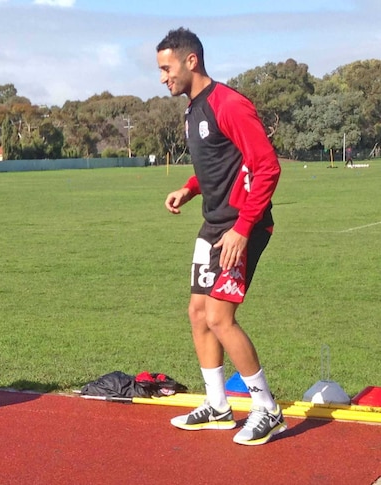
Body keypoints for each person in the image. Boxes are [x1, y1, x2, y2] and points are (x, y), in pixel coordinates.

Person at [157, 28, 285, 446]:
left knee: (219, 317)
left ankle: (267, 409)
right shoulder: (193, 109)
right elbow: (218, 163)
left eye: (166, 68)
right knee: (197, 313)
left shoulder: (230, 103)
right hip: (213, 225)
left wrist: (243, 229)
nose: (163, 78)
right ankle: (218, 406)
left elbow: (265, 166)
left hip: (241, 227)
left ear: (190, 61)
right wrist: (189, 188)